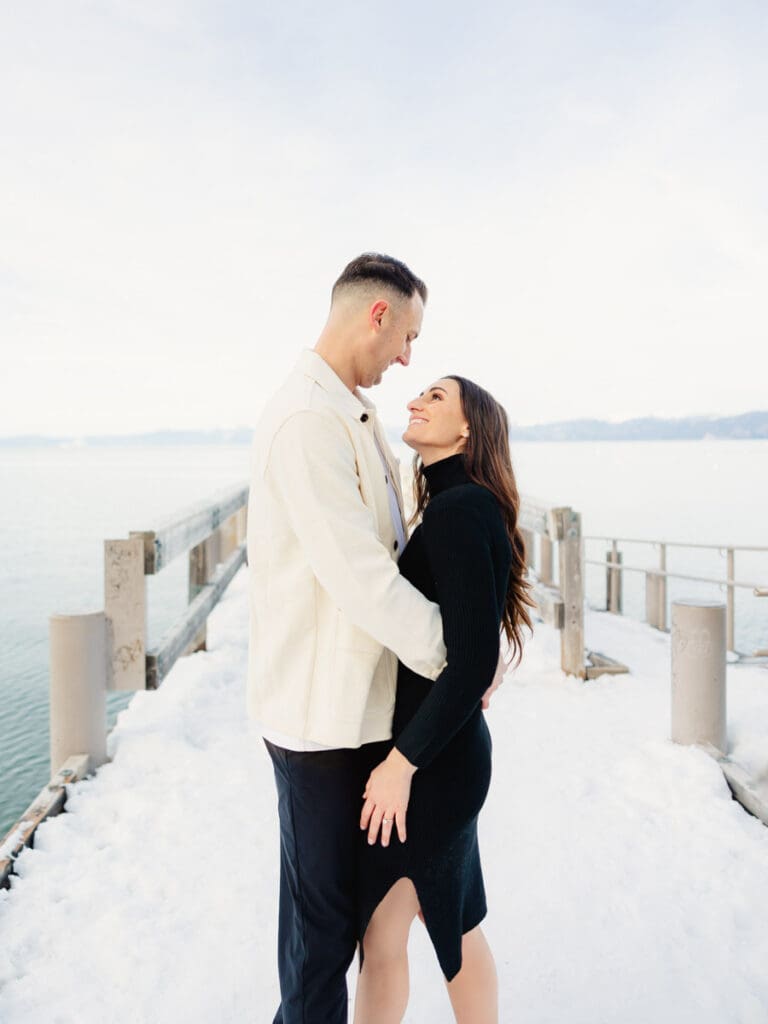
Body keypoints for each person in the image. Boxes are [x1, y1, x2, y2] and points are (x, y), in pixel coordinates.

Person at [246, 254, 502, 1024]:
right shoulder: (308, 421)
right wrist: (455, 656)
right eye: (409, 338)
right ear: (378, 315)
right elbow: (362, 576)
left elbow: (399, 567)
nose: (407, 362)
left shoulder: (349, 417)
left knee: (363, 928)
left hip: (369, 724)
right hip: (321, 723)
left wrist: (455, 673)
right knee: (327, 938)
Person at [354, 375, 536, 1024]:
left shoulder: (460, 511)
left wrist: (399, 765)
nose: (414, 401)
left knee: (383, 937)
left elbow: (474, 659)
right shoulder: (460, 503)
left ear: (466, 429)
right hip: (447, 753)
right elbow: (473, 639)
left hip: (431, 765)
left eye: (434, 396)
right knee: (447, 919)